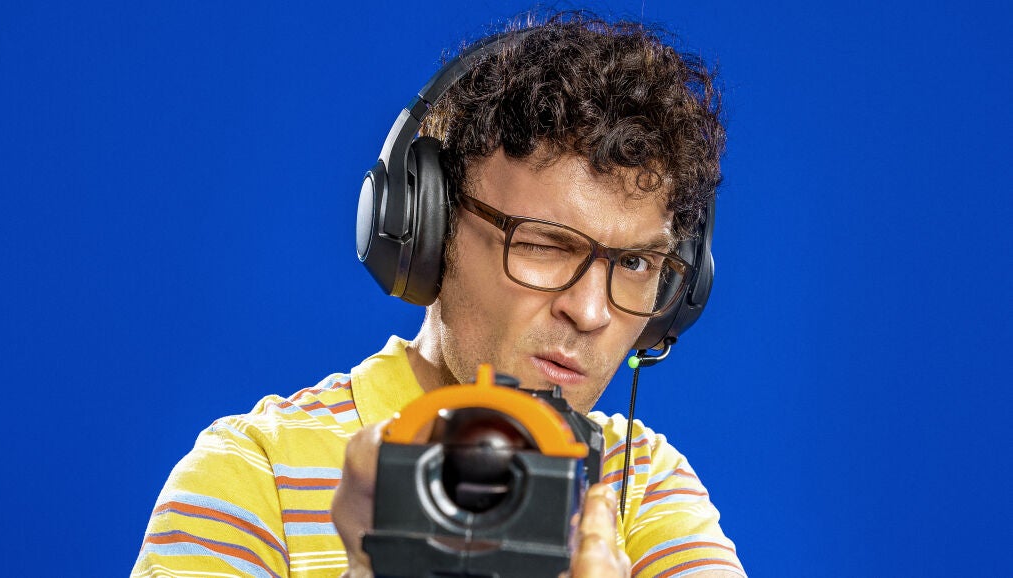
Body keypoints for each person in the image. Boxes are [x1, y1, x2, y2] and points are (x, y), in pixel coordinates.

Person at [132, 12, 744, 578]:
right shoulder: (251, 474)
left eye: (635, 263)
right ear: (428, 230)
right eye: (543, 244)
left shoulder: (645, 483)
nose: (589, 311)